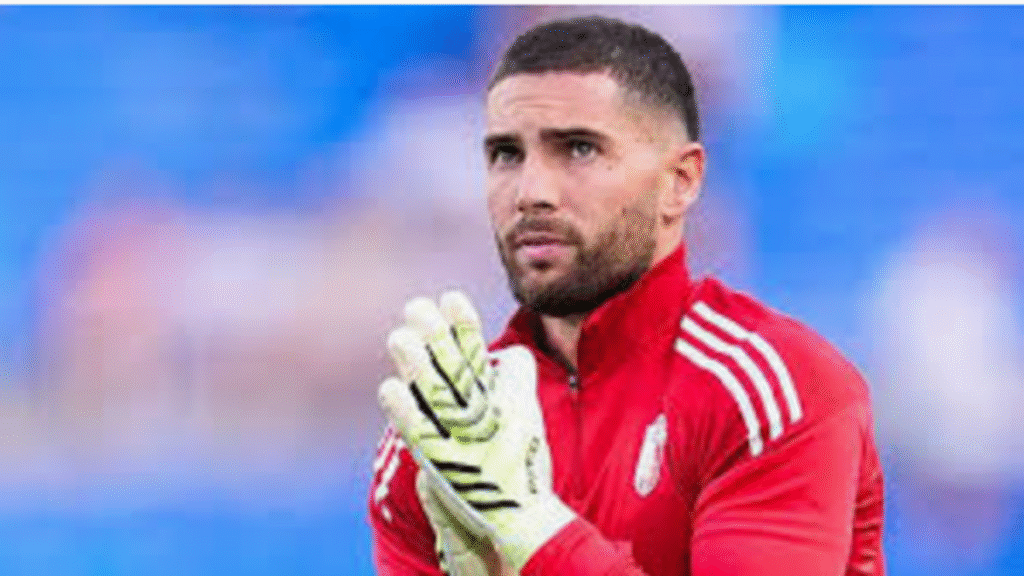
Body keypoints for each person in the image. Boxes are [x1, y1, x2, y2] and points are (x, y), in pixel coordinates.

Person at [368, 15, 884, 576]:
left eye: (580, 150)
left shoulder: (779, 390)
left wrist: (533, 531)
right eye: (507, 155)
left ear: (680, 180)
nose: (531, 193)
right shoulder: (442, 435)